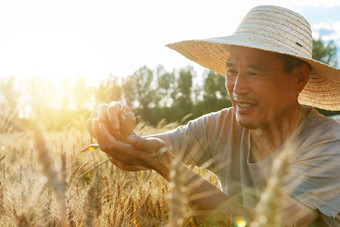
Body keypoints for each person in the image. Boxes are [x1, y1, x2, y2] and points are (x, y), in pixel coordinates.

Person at [86, 5, 340, 226]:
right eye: (232, 71)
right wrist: (116, 129)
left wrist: (164, 163)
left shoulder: (329, 146)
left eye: (254, 72)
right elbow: (137, 154)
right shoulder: (220, 126)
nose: (237, 88)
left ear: (298, 79)